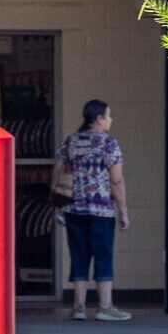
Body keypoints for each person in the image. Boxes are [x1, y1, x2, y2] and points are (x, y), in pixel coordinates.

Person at [56, 99, 130, 321]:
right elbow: (117, 180)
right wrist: (123, 211)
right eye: (108, 116)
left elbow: (57, 173)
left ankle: (79, 306)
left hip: (73, 208)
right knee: (103, 254)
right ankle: (105, 306)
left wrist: (58, 204)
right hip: (101, 209)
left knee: (78, 255)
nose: (110, 120)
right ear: (98, 119)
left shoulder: (70, 141)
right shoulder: (109, 144)